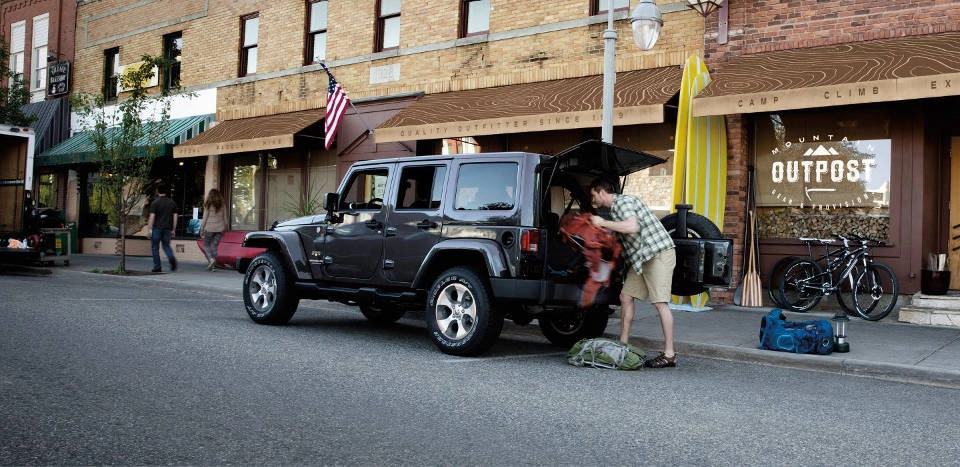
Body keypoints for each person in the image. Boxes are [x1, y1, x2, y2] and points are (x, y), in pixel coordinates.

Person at [588, 177, 678, 368]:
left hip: (657, 254)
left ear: (601, 191)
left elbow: (632, 226)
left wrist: (602, 222)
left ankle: (670, 354)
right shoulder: (615, 209)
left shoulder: (623, 203)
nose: (592, 199)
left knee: (660, 302)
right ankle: (623, 345)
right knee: (625, 296)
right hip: (641, 259)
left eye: (593, 195)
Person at [147, 184, 178, 273]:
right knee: (166, 246)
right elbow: (175, 217)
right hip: (167, 228)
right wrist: (174, 229)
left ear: (158, 191)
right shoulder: (172, 203)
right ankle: (171, 258)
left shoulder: (155, 203)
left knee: (155, 247)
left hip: (157, 228)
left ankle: (157, 267)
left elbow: (152, 217)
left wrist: (149, 230)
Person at [199, 188, 227, 271]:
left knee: (206, 245)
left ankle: (211, 259)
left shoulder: (208, 204)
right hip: (220, 228)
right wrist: (225, 227)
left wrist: (202, 229)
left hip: (209, 228)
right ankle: (213, 266)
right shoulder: (222, 204)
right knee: (214, 246)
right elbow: (225, 218)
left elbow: (204, 218)